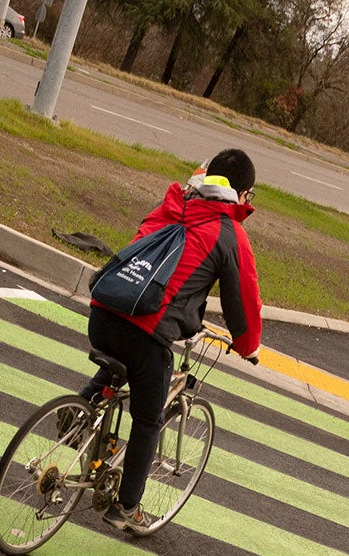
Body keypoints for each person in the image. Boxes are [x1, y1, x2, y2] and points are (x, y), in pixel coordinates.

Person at [81, 149, 263, 534]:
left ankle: (82, 405)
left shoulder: (177, 200)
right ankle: (127, 508)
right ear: (243, 194)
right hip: (147, 336)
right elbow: (242, 304)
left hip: (103, 310)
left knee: (123, 361)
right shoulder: (230, 235)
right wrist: (248, 347)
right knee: (149, 419)